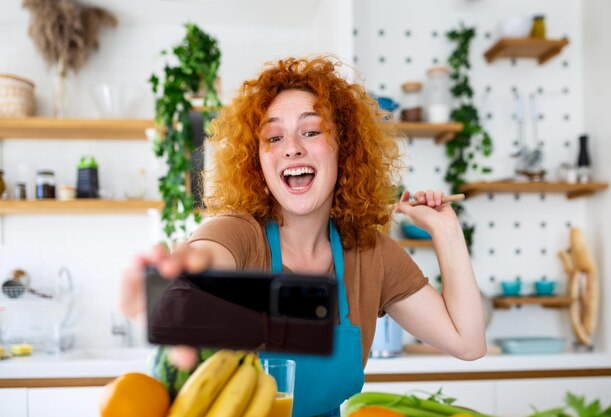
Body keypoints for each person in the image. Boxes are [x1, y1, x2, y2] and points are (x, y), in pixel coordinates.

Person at [120, 55, 486, 417]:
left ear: (345, 148)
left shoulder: (370, 252)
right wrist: (175, 284)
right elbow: (200, 267)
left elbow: (467, 342)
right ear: (257, 160)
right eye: (273, 137)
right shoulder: (239, 233)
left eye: (311, 131)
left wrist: (447, 231)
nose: (292, 147)